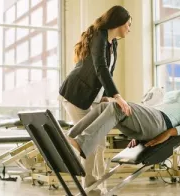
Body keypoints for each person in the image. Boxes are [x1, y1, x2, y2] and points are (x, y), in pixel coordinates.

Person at [67, 60, 180, 160]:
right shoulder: (178, 92)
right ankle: (69, 137)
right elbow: (153, 111)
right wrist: (138, 126)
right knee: (105, 106)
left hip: (161, 123)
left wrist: (169, 133)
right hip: (151, 122)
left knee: (118, 106)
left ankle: (81, 144)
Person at [58, 5, 132, 192]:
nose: (129, 29)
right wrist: (118, 97)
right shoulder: (99, 35)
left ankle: (98, 185)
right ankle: (91, 188)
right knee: (90, 141)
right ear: (119, 23)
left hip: (94, 97)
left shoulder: (113, 42)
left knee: (99, 143)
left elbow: (110, 72)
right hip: (76, 94)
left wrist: (107, 97)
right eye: (128, 25)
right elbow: (101, 68)